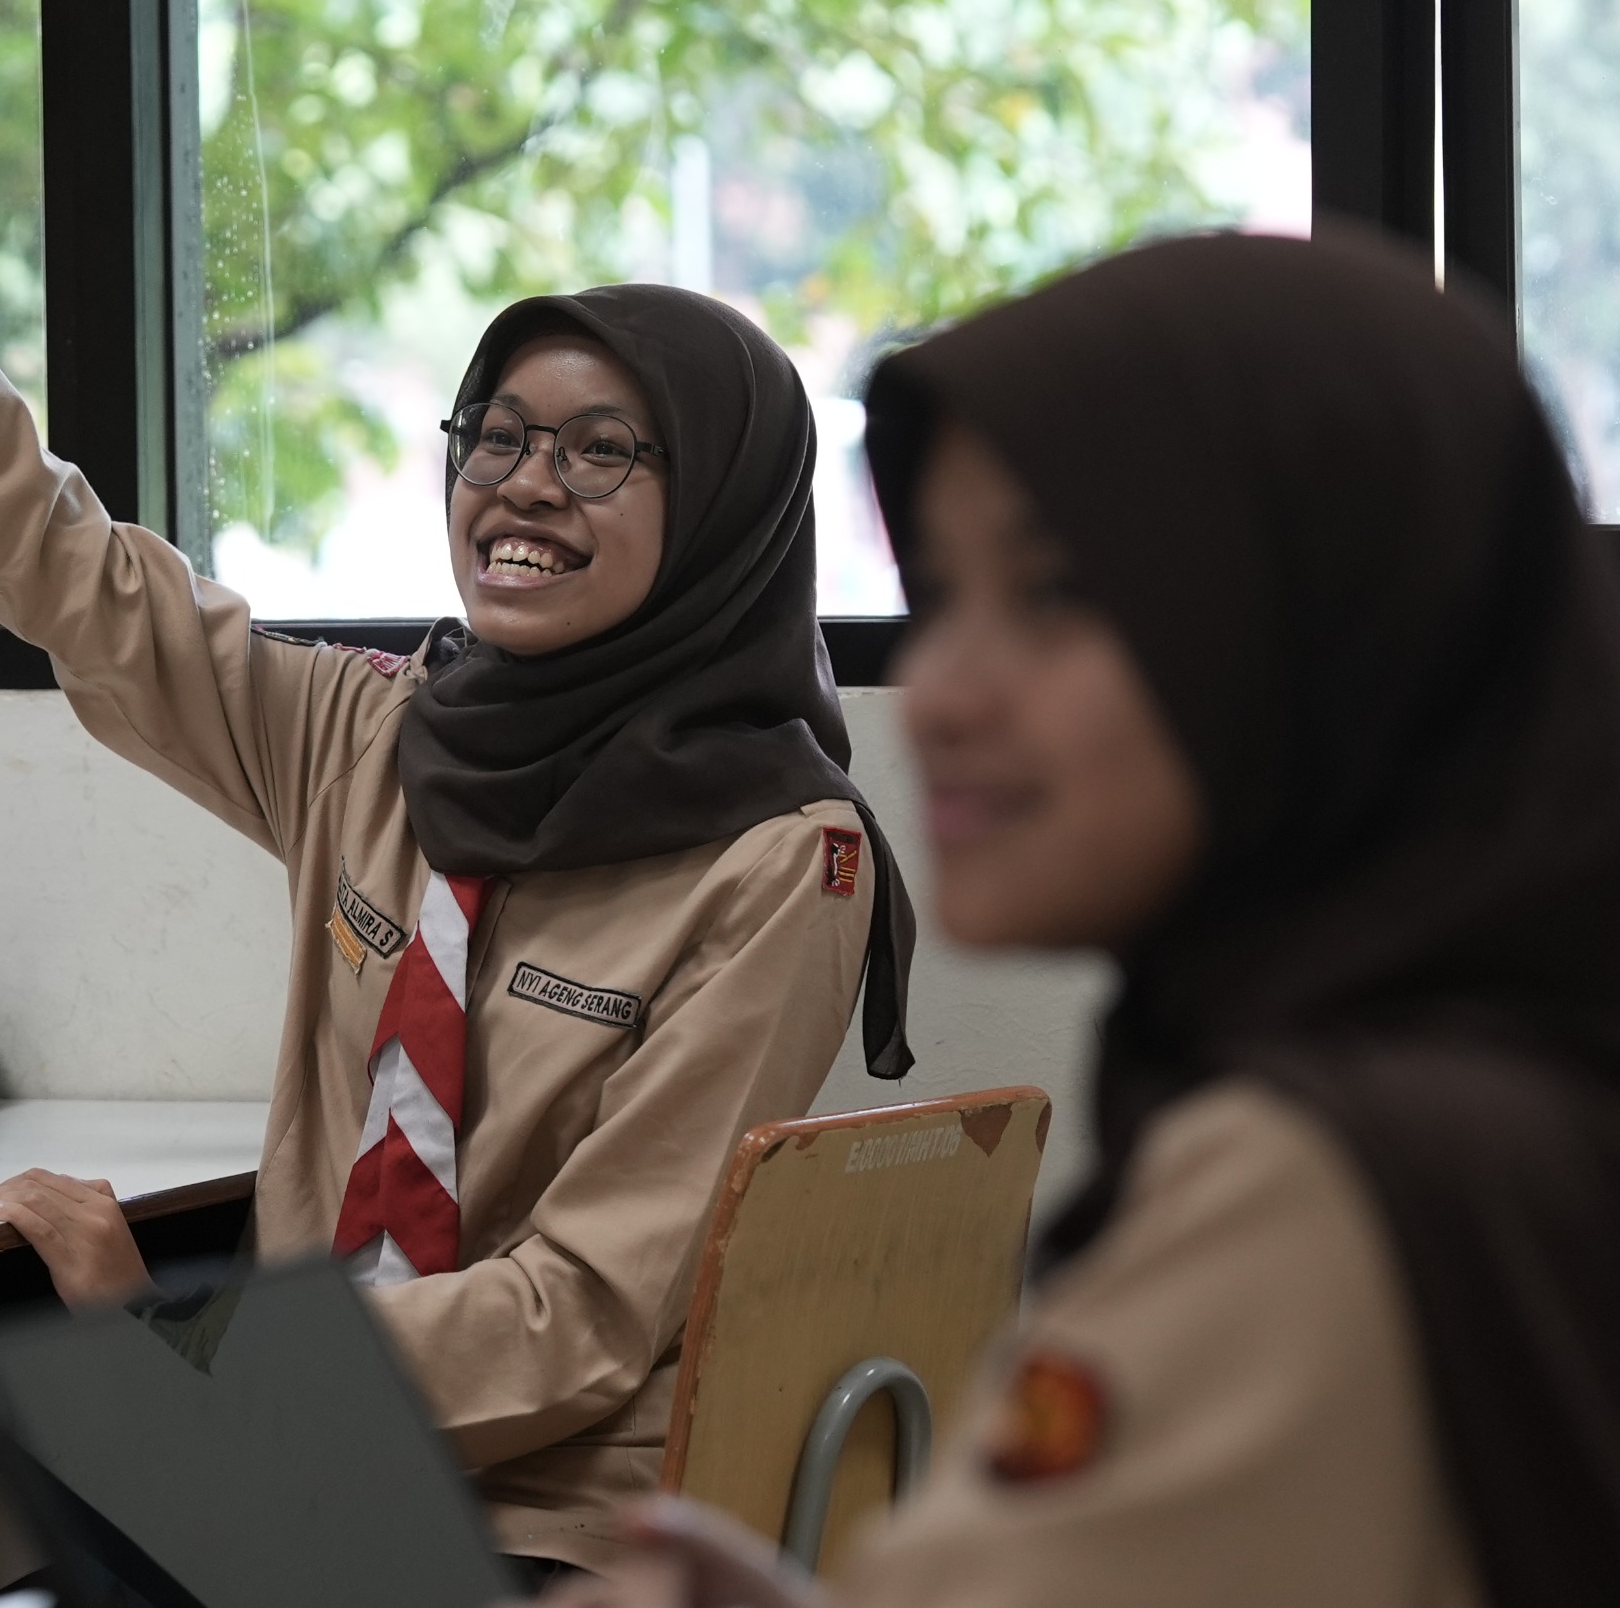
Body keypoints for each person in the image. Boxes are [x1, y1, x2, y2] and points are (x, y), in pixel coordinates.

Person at [0, 0, 916, 1573]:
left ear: (719, 515)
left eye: (599, 451)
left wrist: (193, 1360)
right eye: (492, 436)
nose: (522, 487)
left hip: (556, 1522)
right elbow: (52, 556)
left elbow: (578, 1315)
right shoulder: (377, 741)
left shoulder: (786, 858)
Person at [547, 229, 1620, 1608]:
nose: (938, 691)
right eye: (942, 592)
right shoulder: (1519, 1090)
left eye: (1055, 595)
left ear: (1323, 617)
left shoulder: (1310, 1182)